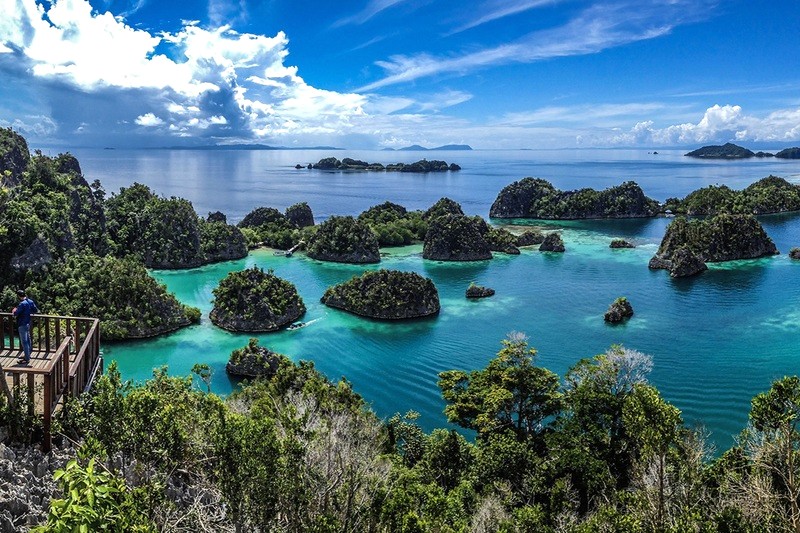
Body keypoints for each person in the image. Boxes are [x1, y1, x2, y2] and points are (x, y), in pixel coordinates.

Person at [12, 289, 38, 365]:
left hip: (22, 324)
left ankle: (27, 359)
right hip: (28, 323)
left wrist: (14, 310)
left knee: (24, 342)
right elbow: (35, 310)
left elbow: (16, 313)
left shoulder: (22, 304)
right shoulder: (30, 301)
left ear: (19, 296)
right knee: (28, 339)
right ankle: (28, 354)